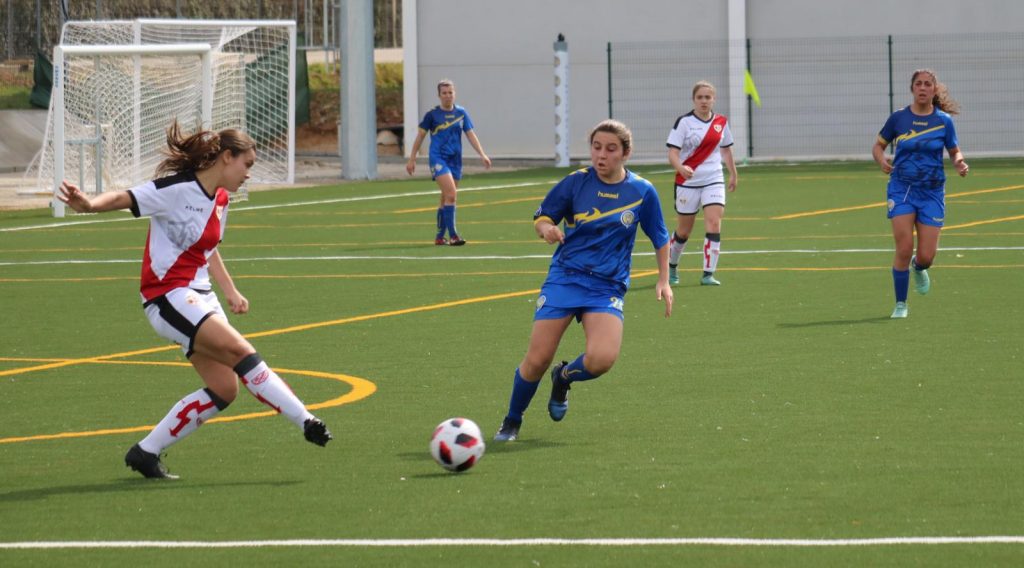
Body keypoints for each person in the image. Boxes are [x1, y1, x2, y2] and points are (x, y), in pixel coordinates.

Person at [58, 121, 332, 479]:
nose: (249, 173)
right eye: (247, 164)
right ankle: (306, 420)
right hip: (167, 295)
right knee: (242, 352)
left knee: (225, 388)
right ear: (227, 157)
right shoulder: (176, 189)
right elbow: (126, 197)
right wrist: (90, 204)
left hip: (200, 296)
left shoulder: (221, 198)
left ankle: (145, 452)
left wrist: (230, 290)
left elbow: (207, 248)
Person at [493, 120, 673, 442]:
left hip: (607, 286)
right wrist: (547, 230)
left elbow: (660, 237)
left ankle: (563, 377)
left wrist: (664, 279)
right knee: (537, 359)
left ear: (626, 153)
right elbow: (543, 217)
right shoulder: (576, 182)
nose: (601, 155)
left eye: (611, 149)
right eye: (596, 147)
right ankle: (512, 420)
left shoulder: (642, 191)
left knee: (602, 359)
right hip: (566, 278)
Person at [872, 68, 968, 319]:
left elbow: (954, 150)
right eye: (919, 84)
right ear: (912, 88)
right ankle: (900, 304)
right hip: (902, 188)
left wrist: (959, 162)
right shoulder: (898, 118)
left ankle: (919, 267)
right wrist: (881, 160)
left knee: (926, 256)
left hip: (932, 191)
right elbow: (878, 146)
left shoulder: (944, 121)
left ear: (934, 89)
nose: (923, 88)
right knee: (904, 248)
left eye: (927, 84)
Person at [665, 80, 739, 286]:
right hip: (687, 182)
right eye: (700, 97)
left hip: (713, 179)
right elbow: (672, 153)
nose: (704, 101)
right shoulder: (684, 122)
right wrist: (680, 168)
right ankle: (671, 267)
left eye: (708, 97)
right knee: (683, 232)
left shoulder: (721, 122)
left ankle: (708, 274)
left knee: (714, 222)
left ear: (714, 99)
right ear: (694, 100)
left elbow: (726, 150)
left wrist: (733, 173)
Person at [406, 79, 492, 246]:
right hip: (438, 158)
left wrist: (482, 154)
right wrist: (412, 158)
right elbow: (420, 136)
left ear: (455, 94)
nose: (447, 96)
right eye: (444, 93)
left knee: (446, 198)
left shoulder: (461, 113)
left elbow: (470, 134)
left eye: (450, 92)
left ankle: (440, 237)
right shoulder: (432, 115)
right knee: (451, 195)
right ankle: (453, 236)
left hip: (455, 159)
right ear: (439, 95)